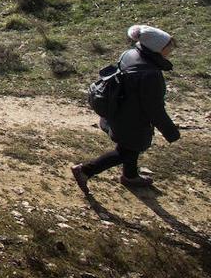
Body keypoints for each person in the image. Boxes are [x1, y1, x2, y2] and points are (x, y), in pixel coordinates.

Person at [72, 25, 181, 193]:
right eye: (169, 47)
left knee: (130, 147)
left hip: (118, 110)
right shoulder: (150, 74)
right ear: (157, 48)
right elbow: (154, 109)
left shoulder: (131, 54)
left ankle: (130, 177)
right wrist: (171, 132)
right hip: (132, 119)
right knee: (126, 151)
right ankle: (85, 170)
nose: (171, 50)